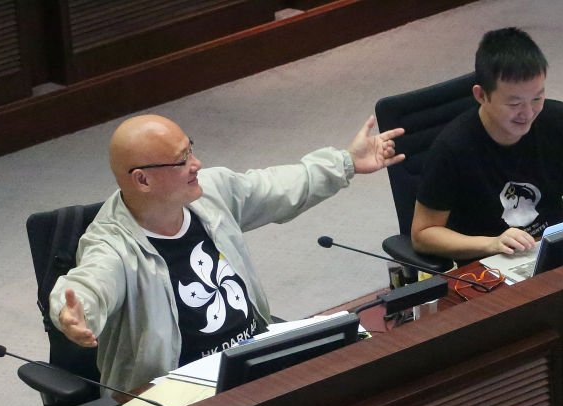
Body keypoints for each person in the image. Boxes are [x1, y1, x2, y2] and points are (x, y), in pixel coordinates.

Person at [49, 113, 403, 391]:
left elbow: (279, 186)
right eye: (181, 159)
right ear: (142, 180)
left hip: (250, 361)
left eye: (191, 149)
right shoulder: (112, 243)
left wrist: (346, 162)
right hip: (176, 391)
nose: (197, 163)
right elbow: (89, 284)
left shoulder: (210, 193)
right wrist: (75, 313)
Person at [410, 27, 563, 263]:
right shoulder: (452, 148)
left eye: (537, 98)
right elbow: (422, 235)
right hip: (492, 266)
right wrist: (491, 243)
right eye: (514, 103)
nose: (527, 113)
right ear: (481, 96)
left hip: (558, 253)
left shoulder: (558, 118)